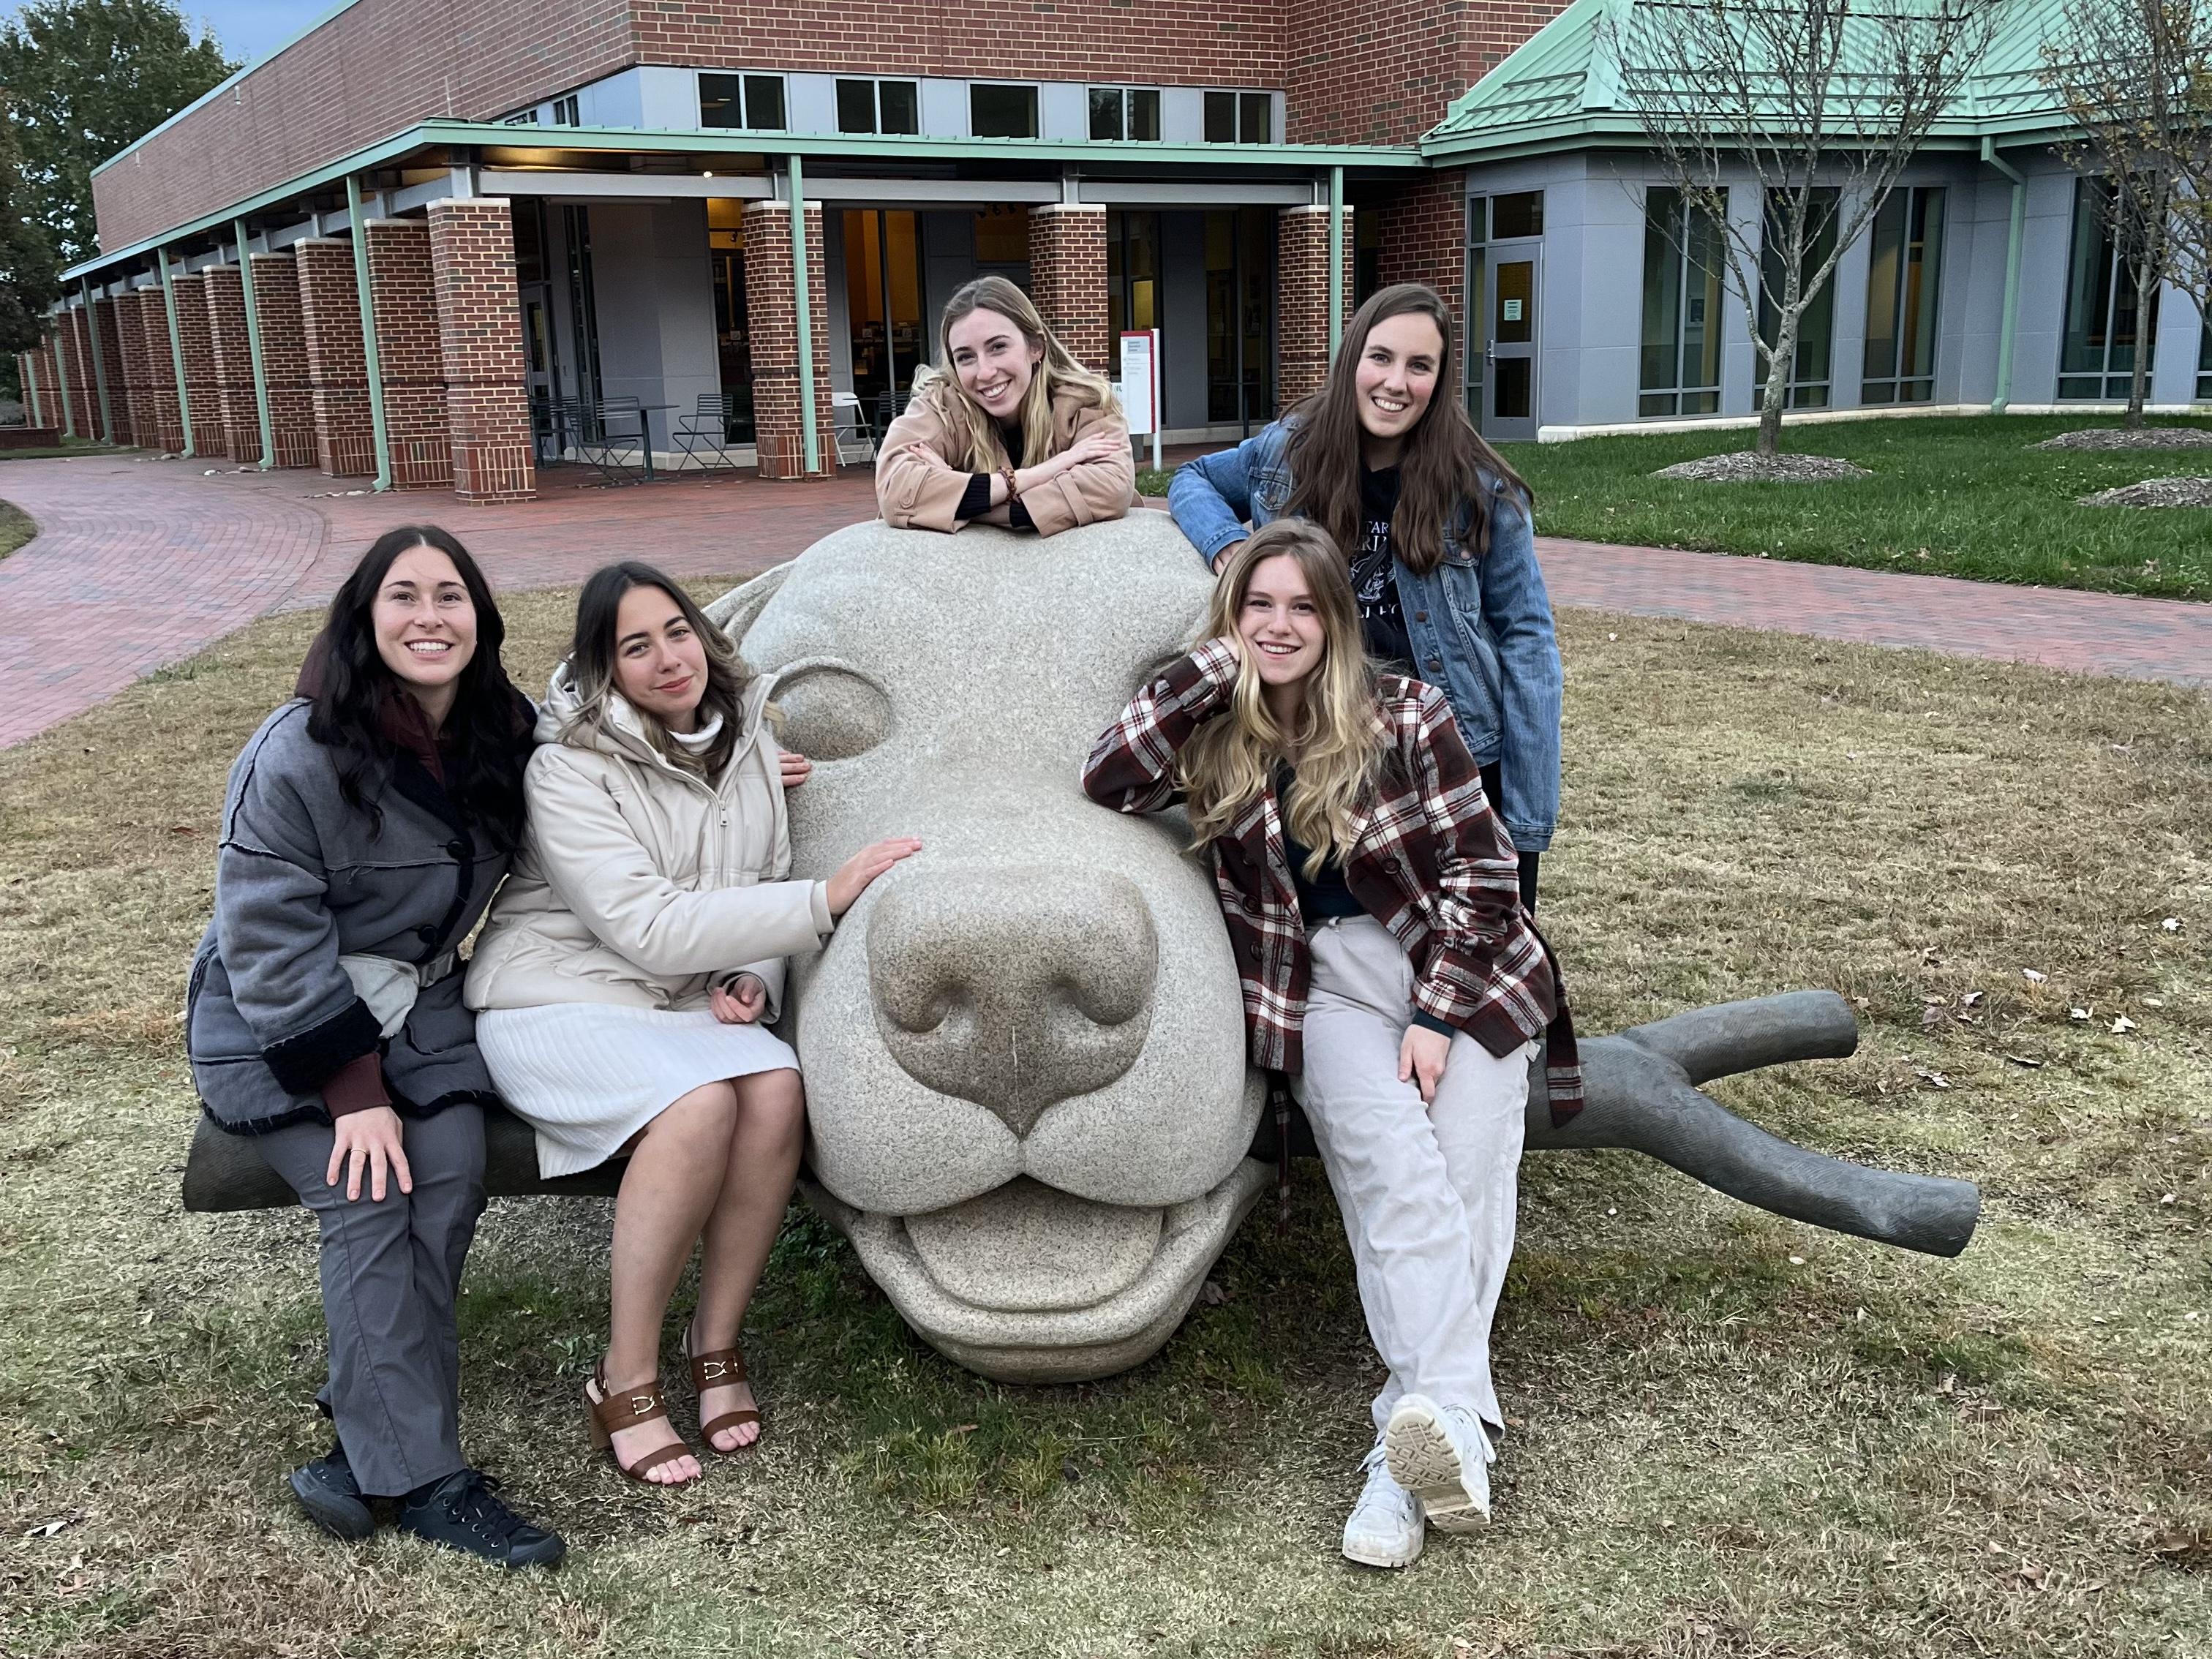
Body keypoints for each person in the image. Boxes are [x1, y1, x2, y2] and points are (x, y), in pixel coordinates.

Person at [1082, 519, 1581, 1570]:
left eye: (1302, 607)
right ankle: (1450, 1433)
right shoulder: (1219, 734)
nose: (1280, 624)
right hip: (1327, 991)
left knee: (1466, 1180)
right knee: (1394, 1181)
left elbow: (1486, 881)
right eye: (1258, 605)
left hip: (1465, 970)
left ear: (1337, 621)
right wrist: (1217, 664)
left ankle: (1409, 1453)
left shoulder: (1407, 712)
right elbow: (1110, 779)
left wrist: (1440, 1016)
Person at [464, 562, 920, 1486]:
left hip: (673, 1002)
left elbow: (755, 879)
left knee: (777, 1086)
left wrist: (752, 975)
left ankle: (716, 1346)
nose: (667, 659)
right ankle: (623, 1377)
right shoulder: (567, 769)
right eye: (635, 646)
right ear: (604, 669)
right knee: (702, 1103)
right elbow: (647, 926)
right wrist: (821, 902)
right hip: (554, 998)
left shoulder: (748, 740)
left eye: (676, 631)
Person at [186, 525, 564, 1569]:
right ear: (365, 618)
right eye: (403, 597)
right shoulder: (298, 750)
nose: (430, 617)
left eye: (452, 596)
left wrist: (726, 761)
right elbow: (265, 933)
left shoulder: (506, 731)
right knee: (368, 1187)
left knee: (445, 1169)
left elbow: (602, 797)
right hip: (285, 1026)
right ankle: (427, 1478)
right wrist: (353, 1094)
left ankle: (365, 1426)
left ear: (481, 619)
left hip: (424, 1010)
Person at [1167, 282, 1561, 910]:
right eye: (1381, 357)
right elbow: (1191, 479)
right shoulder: (1290, 450)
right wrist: (1228, 549)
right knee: (1343, 935)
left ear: (1441, 379)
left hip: (1448, 747)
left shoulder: (1480, 488)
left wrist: (1527, 818)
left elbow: (1528, 640)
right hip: (1321, 738)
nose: (1396, 382)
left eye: (1419, 365)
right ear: (1352, 358)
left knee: (1465, 934)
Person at [875, 274, 1136, 536]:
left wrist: (964, 497)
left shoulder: (1086, 402)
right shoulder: (940, 406)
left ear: (1036, 348)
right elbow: (897, 489)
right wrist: (1031, 478)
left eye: (998, 347)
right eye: (966, 357)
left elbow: (1111, 486)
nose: (985, 372)